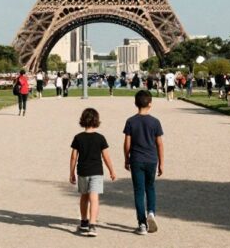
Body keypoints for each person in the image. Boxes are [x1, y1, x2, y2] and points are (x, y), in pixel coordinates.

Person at [70, 108, 117, 237]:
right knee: (94, 197)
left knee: (84, 196)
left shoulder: (78, 138)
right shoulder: (100, 138)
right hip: (96, 171)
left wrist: (71, 173)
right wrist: (112, 170)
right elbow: (106, 157)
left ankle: (84, 221)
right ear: (96, 121)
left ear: (82, 120)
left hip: (83, 171)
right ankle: (92, 224)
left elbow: (74, 157)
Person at [124, 90, 164, 235]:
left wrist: (126, 158)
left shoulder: (131, 121)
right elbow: (159, 144)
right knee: (150, 187)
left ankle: (141, 223)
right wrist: (161, 163)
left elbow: (127, 143)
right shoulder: (155, 122)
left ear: (136, 103)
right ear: (150, 104)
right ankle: (151, 212)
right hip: (151, 159)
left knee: (139, 191)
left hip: (136, 159)